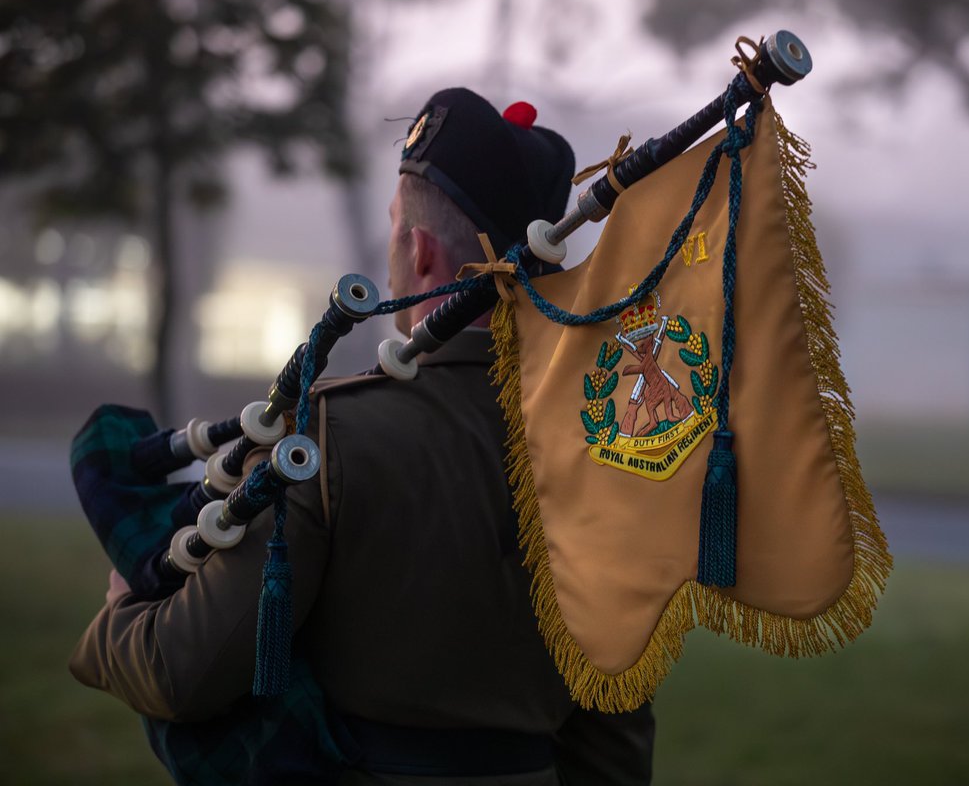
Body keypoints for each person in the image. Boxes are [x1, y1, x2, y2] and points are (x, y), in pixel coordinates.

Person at [70, 87, 656, 785]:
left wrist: (118, 611)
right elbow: (614, 732)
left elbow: (184, 670)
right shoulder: (609, 447)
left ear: (421, 250)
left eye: (393, 231)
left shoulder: (323, 433)